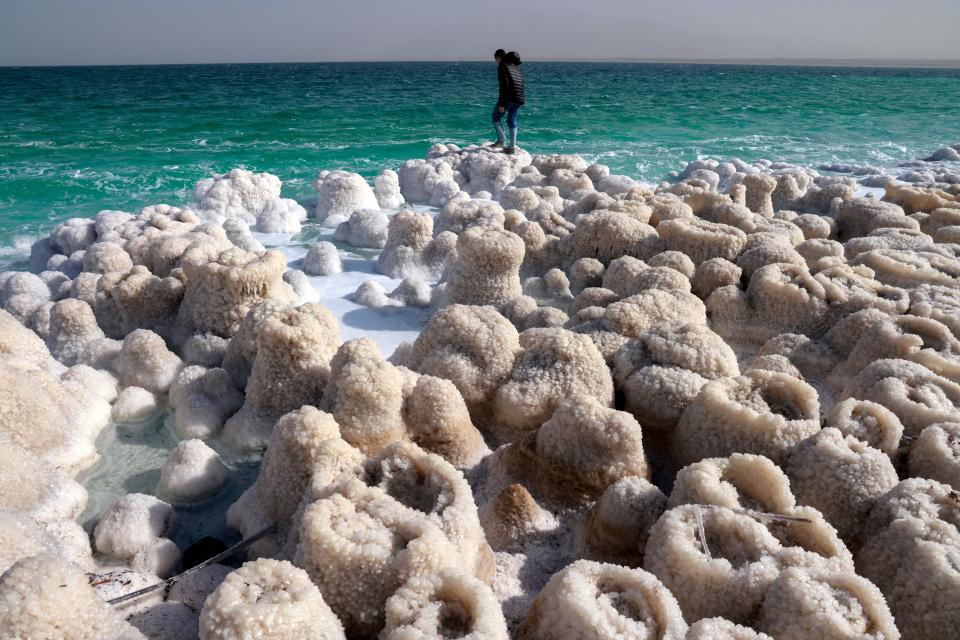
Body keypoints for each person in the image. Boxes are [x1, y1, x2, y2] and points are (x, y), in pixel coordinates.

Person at [491, 48, 524, 154]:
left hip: (508, 98)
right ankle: (511, 147)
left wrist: (502, 103)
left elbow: (504, 85)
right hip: (519, 98)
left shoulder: (502, 65)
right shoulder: (514, 67)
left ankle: (501, 140)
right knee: (512, 121)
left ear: (498, 57)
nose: (496, 62)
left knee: (495, 117)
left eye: (495, 59)